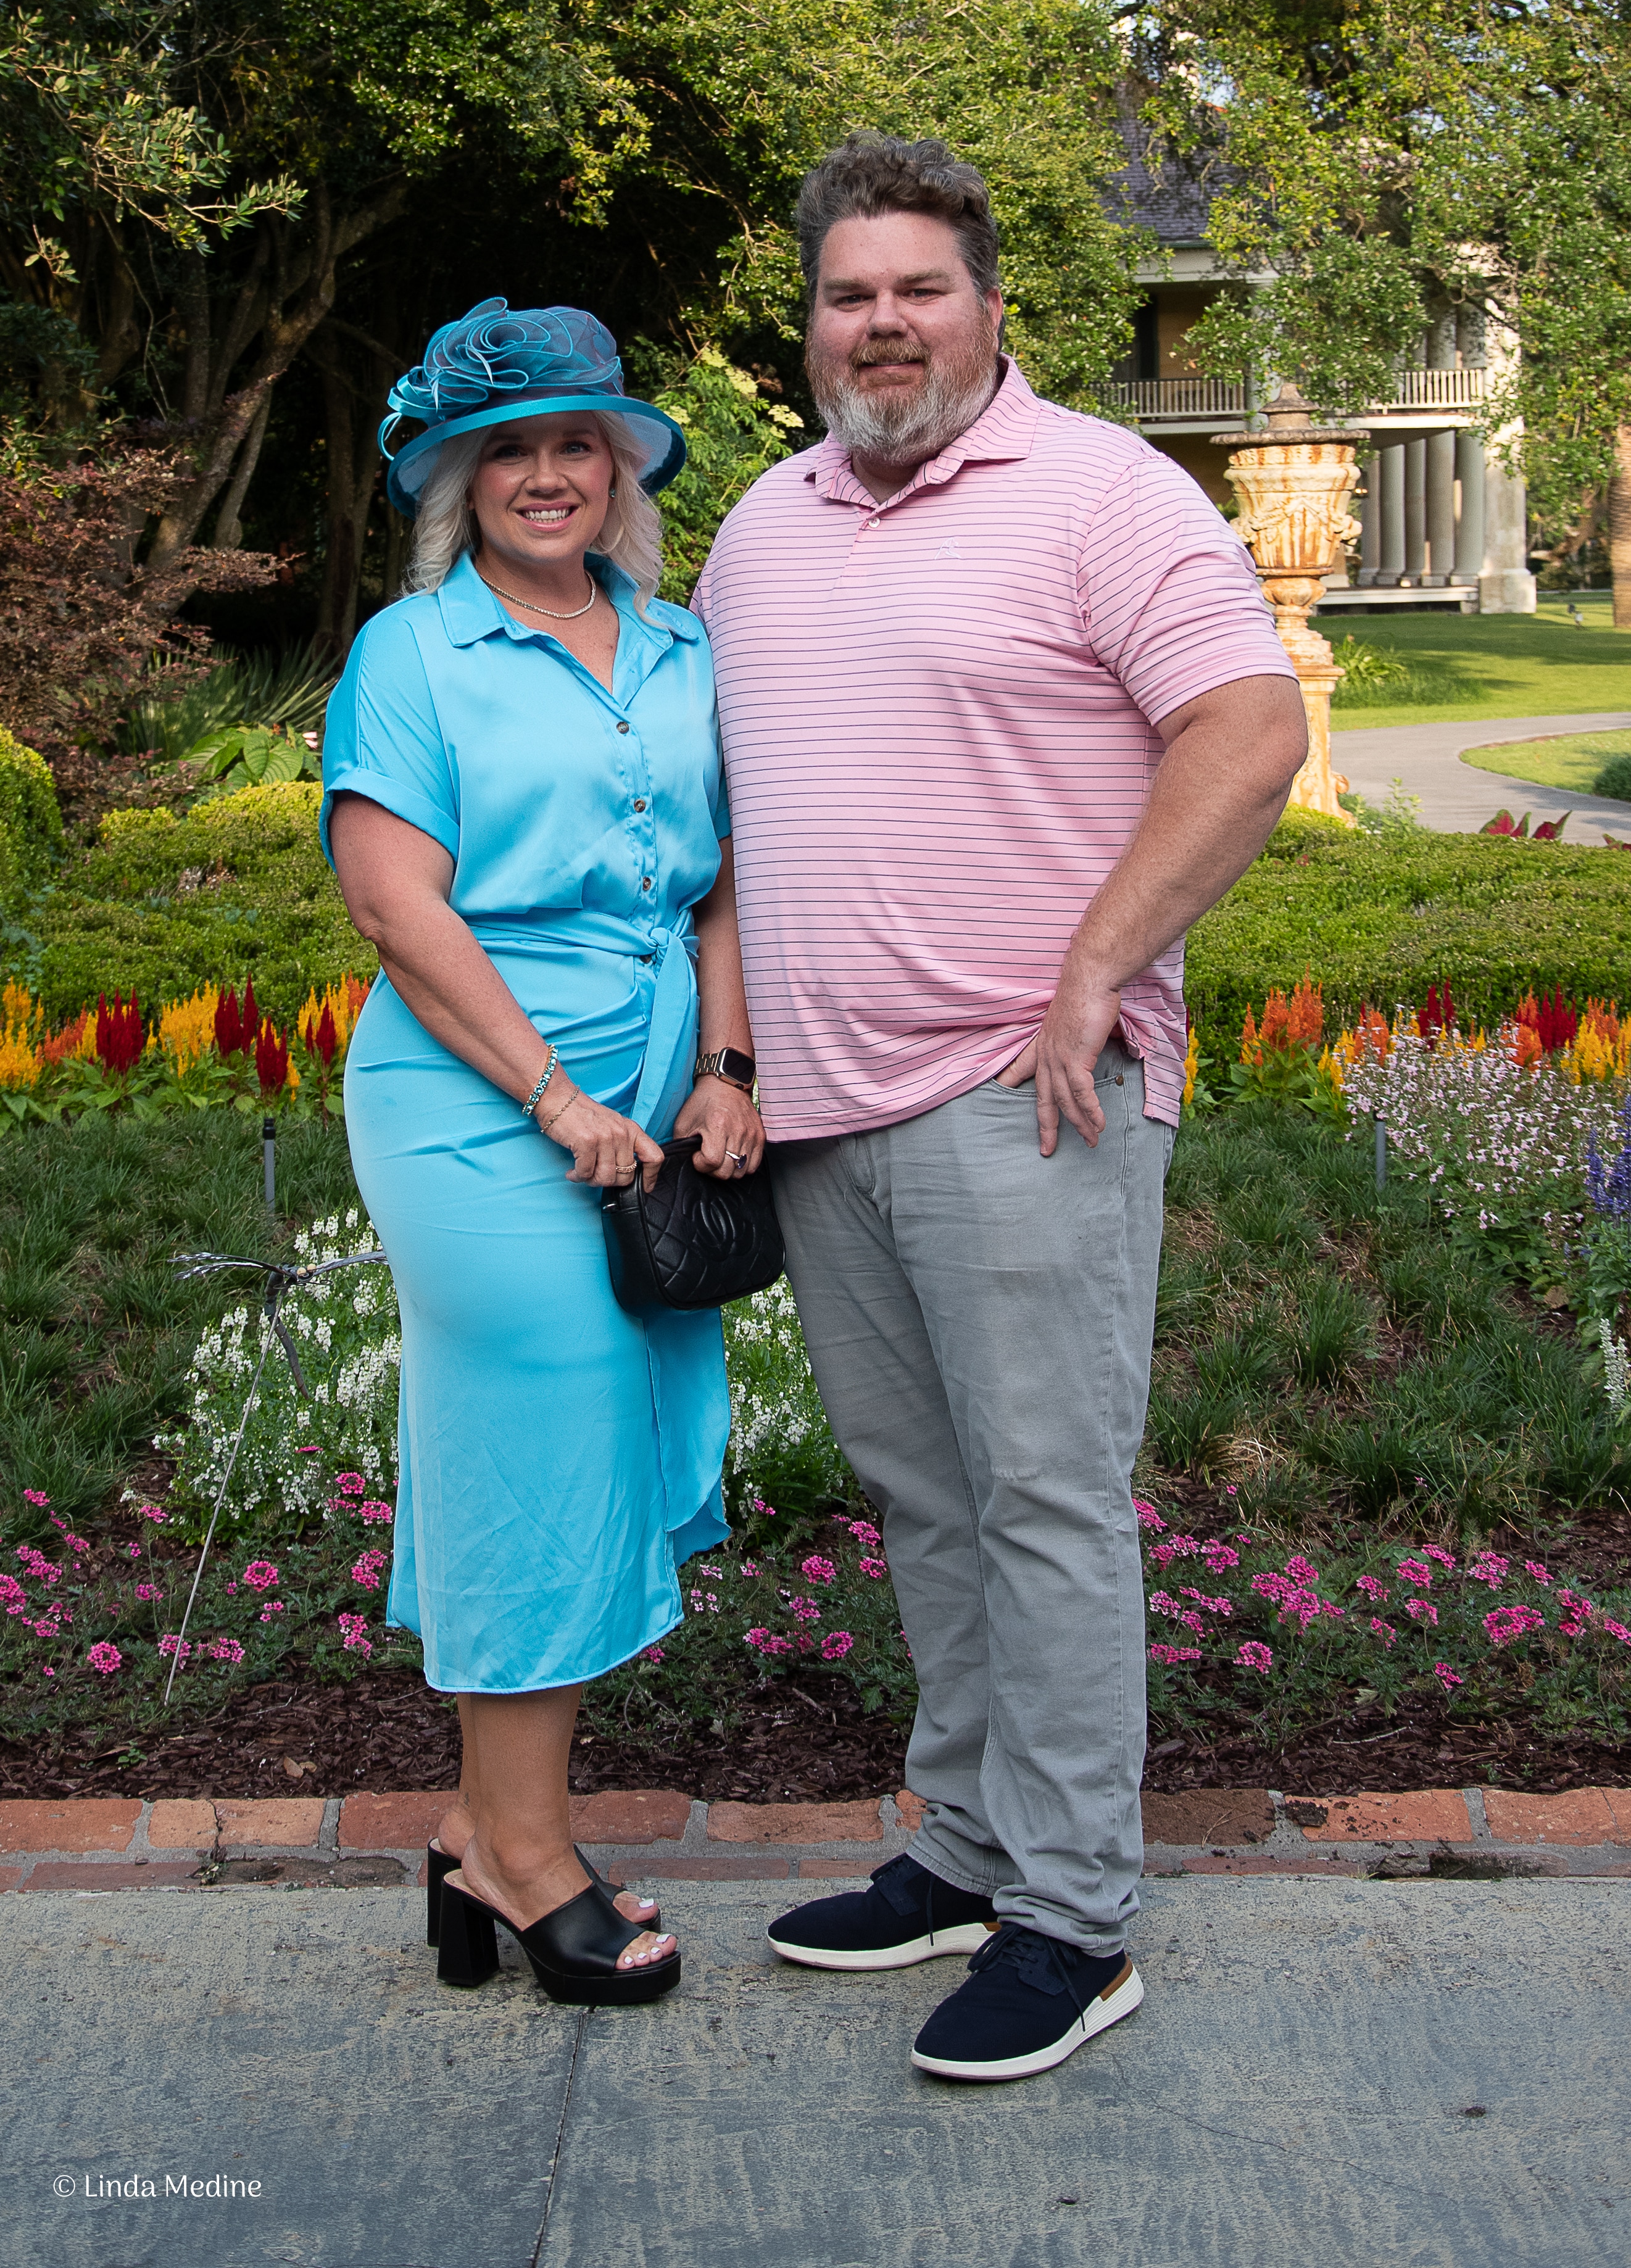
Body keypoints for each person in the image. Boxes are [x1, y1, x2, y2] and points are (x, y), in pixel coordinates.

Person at [692, 136, 1308, 2081]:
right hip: (824, 1109)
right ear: (810, 325)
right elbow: (731, 821)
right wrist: (732, 1056)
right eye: (847, 296)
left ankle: (1073, 1916)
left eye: (917, 290)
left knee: (1043, 1500)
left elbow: (1250, 729)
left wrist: (1096, 963)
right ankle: (964, 1852)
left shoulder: (1103, 493)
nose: (881, 325)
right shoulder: (761, 527)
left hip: (1020, 1094)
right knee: (926, 1497)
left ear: (985, 306)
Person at [323, 298, 765, 2006]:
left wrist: (725, 1067)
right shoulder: (412, 652)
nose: (547, 474)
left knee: (588, 1438)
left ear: (618, 469)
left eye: (578, 442)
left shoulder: (679, 644)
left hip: (650, 1099)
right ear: (461, 480)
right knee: (546, 1432)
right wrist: (553, 1097)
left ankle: (472, 1840)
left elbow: (718, 885)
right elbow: (394, 904)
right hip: (474, 1099)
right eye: (507, 449)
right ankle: (521, 1855)